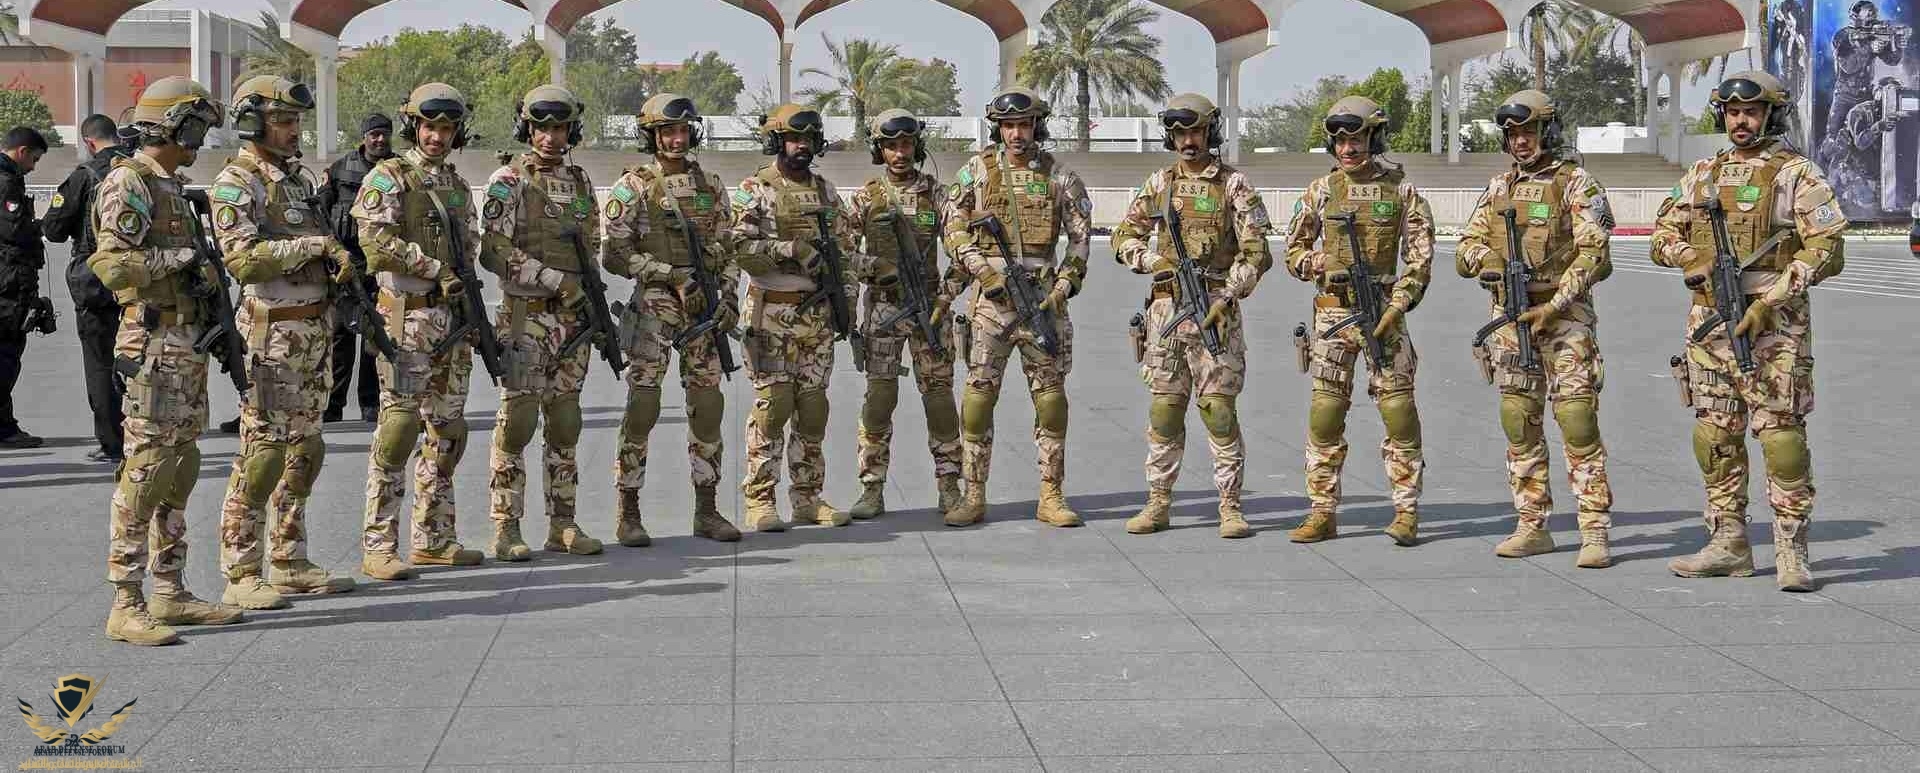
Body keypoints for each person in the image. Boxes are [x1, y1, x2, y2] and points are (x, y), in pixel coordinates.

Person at [1651, 71, 1847, 592]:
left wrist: (1770, 300)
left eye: (1751, 112)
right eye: (1733, 112)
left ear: (1771, 115)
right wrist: (1688, 256)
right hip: (1710, 326)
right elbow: (1662, 233)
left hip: (1775, 328)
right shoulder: (1703, 173)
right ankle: (1728, 542)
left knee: (1781, 438)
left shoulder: (1797, 174)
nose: (1741, 120)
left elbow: (1827, 246)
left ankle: (1792, 549)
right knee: (1715, 435)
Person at [89, 76, 245, 645]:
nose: (200, 140)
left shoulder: (171, 186)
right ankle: (126, 601)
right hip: (152, 343)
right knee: (147, 468)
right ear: (171, 126)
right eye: (195, 128)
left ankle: (170, 589)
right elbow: (112, 266)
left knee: (180, 466)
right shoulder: (128, 181)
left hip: (185, 345)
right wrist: (182, 259)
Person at [209, 75, 357, 609]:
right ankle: (242, 569)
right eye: (283, 121)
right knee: (262, 454)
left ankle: (289, 557)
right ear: (253, 123)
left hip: (314, 331)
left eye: (296, 121)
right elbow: (242, 259)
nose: (294, 130)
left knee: (305, 450)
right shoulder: (237, 182)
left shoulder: (296, 180)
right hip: (272, 332)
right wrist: (313, 246)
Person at [1455, 90, 1617, 567]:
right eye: (1513, 134)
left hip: (1565, 320)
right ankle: (1532, 523)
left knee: (1577, 421)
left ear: (1549, 131)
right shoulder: (1499, 187)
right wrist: (1485, 260)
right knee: (1519, 420)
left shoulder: (1576, 183)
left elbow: (1594, 252)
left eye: (1529, 131)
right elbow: (1466, 243)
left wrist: (1556, 304)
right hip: (1511, 321)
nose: (1521, 141)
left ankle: (1594, 530)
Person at [1111, 94, 1273, 538]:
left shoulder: (1234, 185)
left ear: (1209, 132)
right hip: (1167, 311)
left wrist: (1230, 292)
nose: (1188, 141)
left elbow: (1257, 251)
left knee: (1218, 411)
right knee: (1165, 410)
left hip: (1216, 311)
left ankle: (1230, 507)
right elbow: (1124, 236)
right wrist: (1151, 261)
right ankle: (1158, 503)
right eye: (1180, 133)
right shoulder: (1160, 183)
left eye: (1196, 131)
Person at [939, 86, 1093, 528]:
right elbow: (953, 227)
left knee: (1051, 401)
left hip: (1041, 301)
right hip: (992, 304)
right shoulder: (977, 172)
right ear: (999, 129)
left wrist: (1064, 283)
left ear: (1036, 126)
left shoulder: (1059, 176)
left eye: (1024, 125)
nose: (1016, 134)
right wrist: (980, 270)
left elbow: (1080, 238)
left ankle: (1051, 495)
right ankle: (973, 495)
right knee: (978, 399)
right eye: (1008, 126)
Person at [1281, 96, 1432, 545]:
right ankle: (1322, 512)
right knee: (1325, 414)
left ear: (1374, 138)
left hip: (1384, 314)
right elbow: (1292, 252)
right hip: (1332, 315)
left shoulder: (1402, 191)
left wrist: (1398, 305)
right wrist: (1320, 263)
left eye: (1357, 139)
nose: (1347, 149)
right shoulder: (1321, 190)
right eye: (1340, 141)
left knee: (1399, 412)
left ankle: (1406, 512)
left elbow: (1420, 260)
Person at [351, 83, 486, 581]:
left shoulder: (457, 185)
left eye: (446, 129)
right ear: (414, 127)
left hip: (451, 322)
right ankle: (379, 545)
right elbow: (375, 242)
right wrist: (433, 268)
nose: (437, 137)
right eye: (430, 127)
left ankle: (433, 537)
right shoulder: (389, 177)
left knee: (447, 432)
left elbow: (469, 252)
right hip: (406, 319)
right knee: (398, 431)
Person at [602, 93, 742, 544]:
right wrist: (669, 275)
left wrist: (729, 298)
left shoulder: (711, 185)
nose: (676, 139)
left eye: (682, 131)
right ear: (652, 136)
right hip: (655, 308)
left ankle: (707, 510)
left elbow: (730, 249)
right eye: (667, 132)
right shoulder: (634, 187)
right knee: (643, 407)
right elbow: (614, 254)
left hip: (704, 311)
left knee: (708, 407)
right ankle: (628, 512)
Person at [479, 85, 605, 560]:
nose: (550, 137)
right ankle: (506, 527)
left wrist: (585, 295)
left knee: (565, 421)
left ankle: (563, 523)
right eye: (541, 128)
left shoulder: (580, 181)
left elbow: (591, 244)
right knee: (518, 422)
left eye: (559, 128)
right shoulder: (509, 180)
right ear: (526, 129)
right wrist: (552, 279)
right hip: (525, 317)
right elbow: (493, 250)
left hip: (572, 322)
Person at [729, 104, 864, 531]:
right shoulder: (755, 189)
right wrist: (788, 249)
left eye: (807, 139)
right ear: (776, 141)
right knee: (773, 407)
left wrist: (848, 301)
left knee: (812, 407)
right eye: (792, 139)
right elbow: (738, 248)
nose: (800, 146)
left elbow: (844, 252)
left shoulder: (826, 192)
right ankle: (759, 499)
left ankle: (807, 498)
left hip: (817, 316)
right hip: (771, 311)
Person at [845, 109, 964, 520]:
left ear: (917, 146)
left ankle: (950, 486)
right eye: (891, 146)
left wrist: (946, 296)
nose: (899, 153)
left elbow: (963, 249)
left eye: (906, 145)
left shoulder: (939, 195)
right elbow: (841, 252)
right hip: (884, 308)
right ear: (879, 150)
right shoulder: (866, 197)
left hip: (930, 310)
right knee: (880, 398)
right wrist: (874, 268)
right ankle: (871, 488)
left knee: (940, 399)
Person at [44, 115, 130, 462]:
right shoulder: (142, 171)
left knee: (100, 362)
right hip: (142, 278)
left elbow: (53, 230)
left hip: (97, 281)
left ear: (89, 142)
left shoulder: (84, 176)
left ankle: (113, 442)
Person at [317, 114, 395, 423]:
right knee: (340, 335)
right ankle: (333, 404)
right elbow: (321, 212)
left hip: (381, 264)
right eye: (374, 134)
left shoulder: (398, 169)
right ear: (364, 137)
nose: (380, 140)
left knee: (376, 333)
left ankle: (370, 403)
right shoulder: (340, 169)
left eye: (384, 134)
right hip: (347, 264)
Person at [0, 126, 49, 449]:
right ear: (22, 151)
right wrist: (44, 225)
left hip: (8, 279)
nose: (33, 166)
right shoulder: (6, 183)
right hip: (7, 283)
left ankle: (5, 424)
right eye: (34, 159)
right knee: (6, 355)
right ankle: (3, 429)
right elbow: (14, 232)